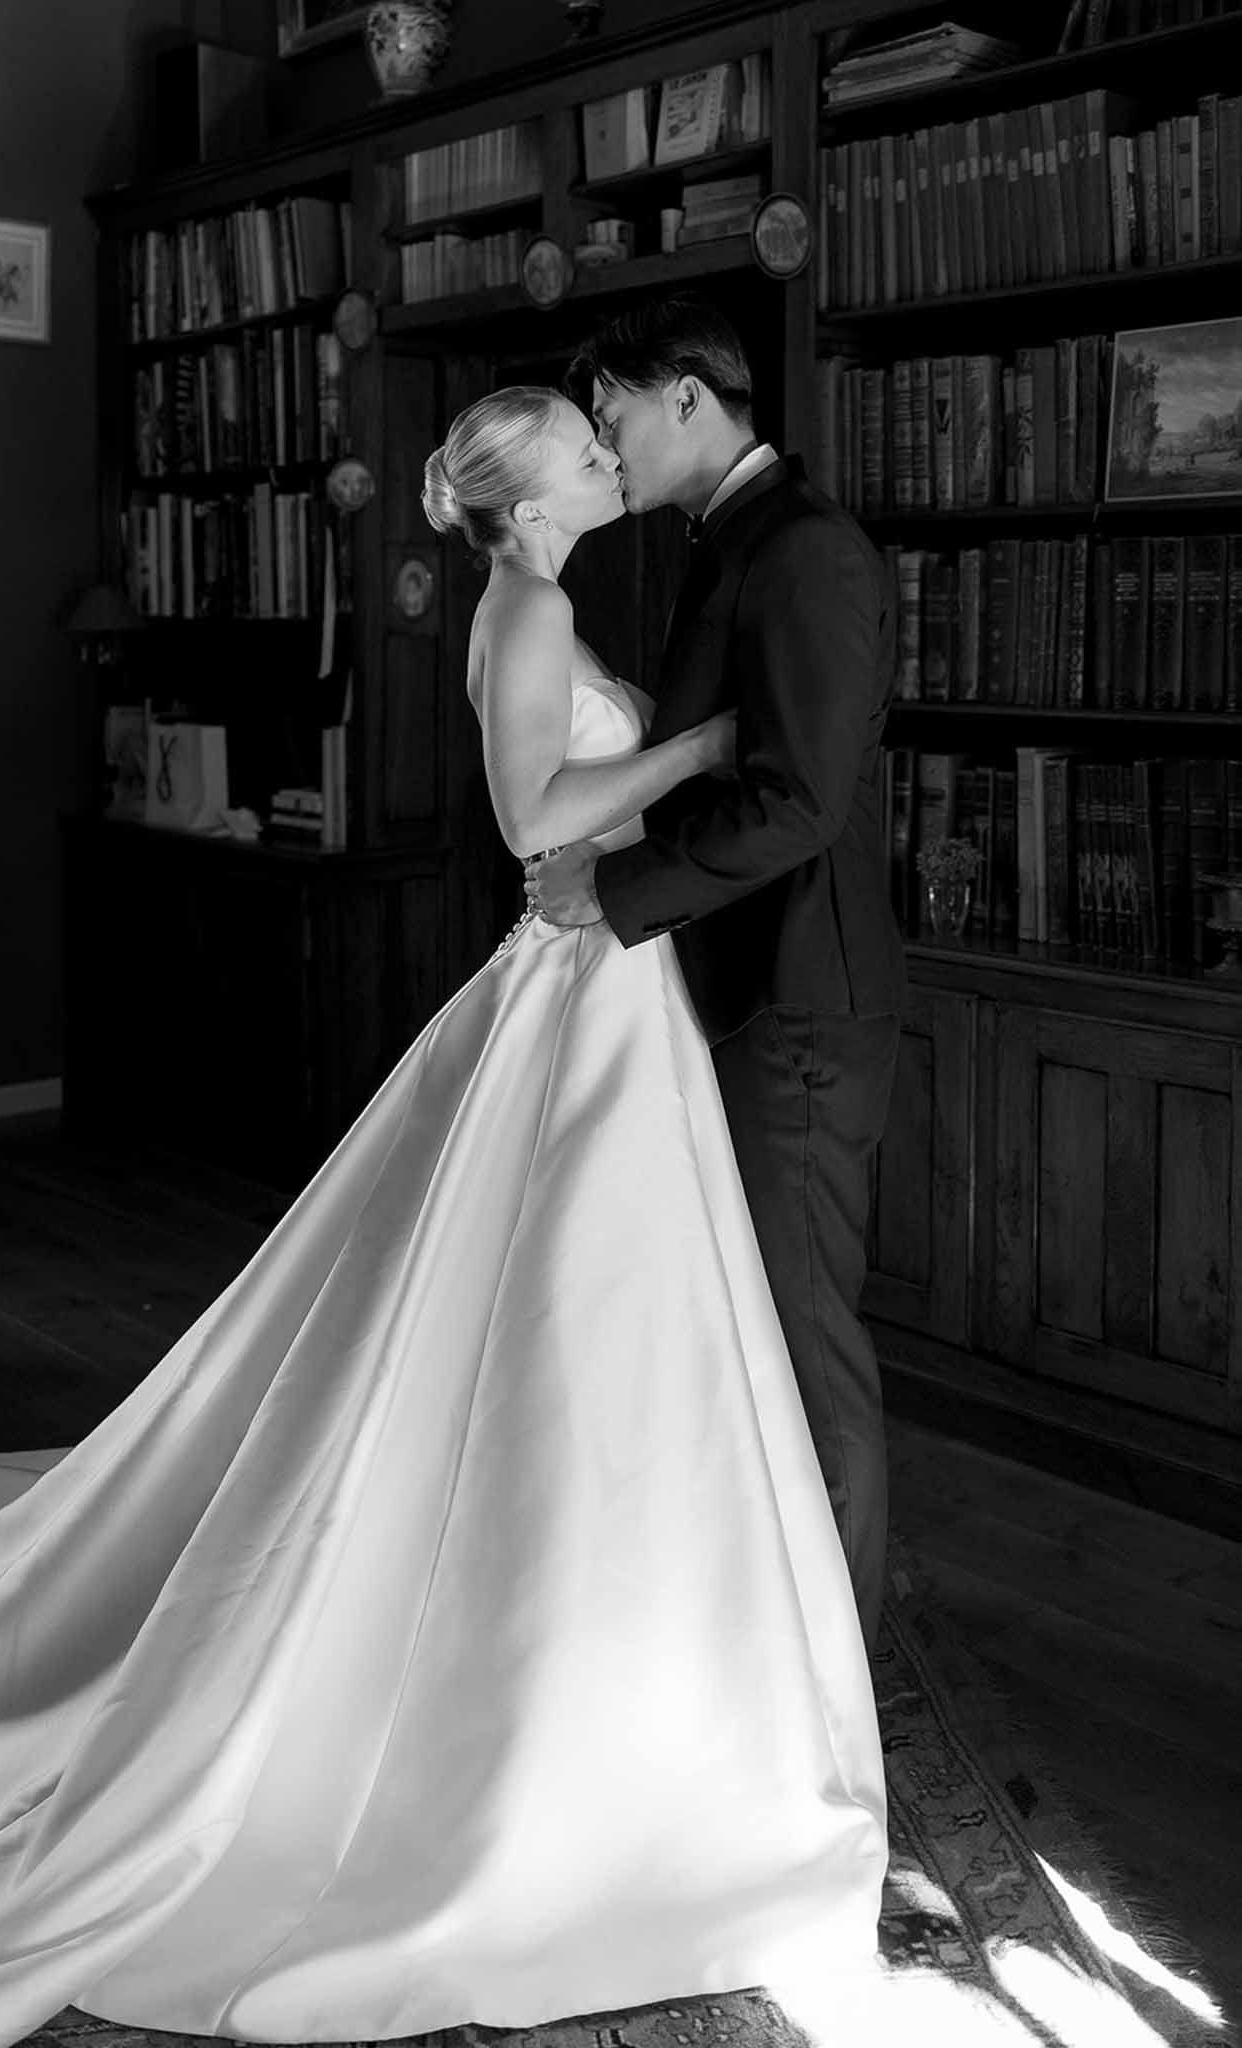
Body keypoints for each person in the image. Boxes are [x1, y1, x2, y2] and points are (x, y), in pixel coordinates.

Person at [0, 386, 885, 2048]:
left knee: (600, 1319)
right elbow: (533, 819)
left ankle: (625, 1631)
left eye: (600, 432)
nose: (603, 451)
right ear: (529, 492)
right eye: (579, 443)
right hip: (583, 980)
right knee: (569, 1306)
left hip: (610, 981)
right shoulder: (530, 605)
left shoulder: (541, 596)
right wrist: (706, 748)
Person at [528, 295, 906, 1653]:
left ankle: (835, 1677)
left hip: (798, 1002)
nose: (606, 446)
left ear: (687, 395)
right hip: (750, 988)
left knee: (805, 1350)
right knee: (755, 1336)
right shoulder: (731, 539)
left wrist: (613, 890)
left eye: (614, 414)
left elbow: (796, 802)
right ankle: (774, 1647)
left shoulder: (801, 549)